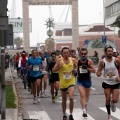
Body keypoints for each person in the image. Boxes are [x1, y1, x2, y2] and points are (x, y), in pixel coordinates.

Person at [52, 47, 77, 120]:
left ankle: (71, 114)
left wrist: (75, 71)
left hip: (71, 81)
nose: (66, 54)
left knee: (71, 97)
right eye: (64, 53)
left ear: (69, 53)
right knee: (64, 100)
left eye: (67, 52)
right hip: (63, 82)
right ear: (62, 53)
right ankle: (64, 114)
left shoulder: (73, 60)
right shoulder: (59, 60)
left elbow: (76, 70)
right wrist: (59, 67)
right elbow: (53, 70)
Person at [96, 46, 120, 120]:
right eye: (108, 51)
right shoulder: (102, 61)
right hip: (107, 82)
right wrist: (98, 73)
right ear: (105, 52)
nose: (110, 52)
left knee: (115, 99)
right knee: (108, 99)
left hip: (115, 82)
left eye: (111, 51)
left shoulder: (116, 60)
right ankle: (109, 115)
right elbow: (99, 71)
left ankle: (113, 103)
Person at [77, 48, 96, 117]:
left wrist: (87, 68)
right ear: (80, 54)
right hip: (80, 81)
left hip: (87, 80)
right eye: (82, 54)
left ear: (86, 54)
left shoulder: (89, 61)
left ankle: (85, 106)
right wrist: (74, 72)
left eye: (84, 54)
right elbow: (74, 69)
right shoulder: (78, 61)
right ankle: (84, 110)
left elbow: (94, 71)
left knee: (87, 96)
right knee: (82, 95)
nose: (83, 55)